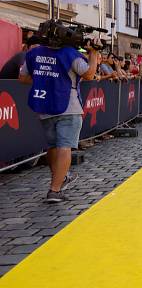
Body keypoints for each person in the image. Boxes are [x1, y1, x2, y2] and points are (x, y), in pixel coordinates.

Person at [18, 30, 100, 202]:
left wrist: (45, 81)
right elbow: (90, 74)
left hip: (44, 105)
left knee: (53, 146)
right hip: (68, 105)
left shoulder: (34, 53)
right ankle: (55, 190)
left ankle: (59, 180)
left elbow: (23, 77)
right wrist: (94, 53)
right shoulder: (70, 54)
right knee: (64, 146)